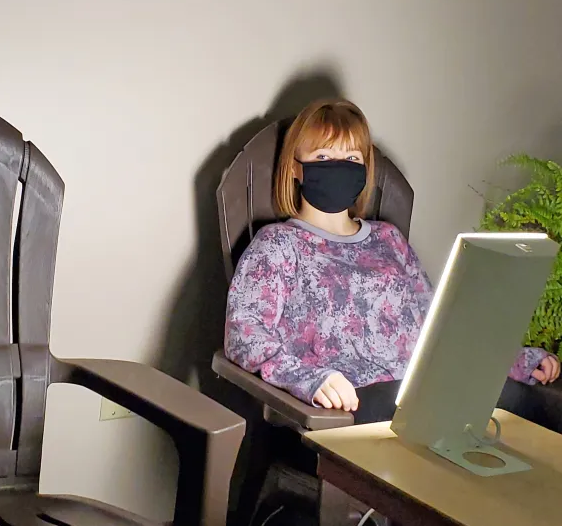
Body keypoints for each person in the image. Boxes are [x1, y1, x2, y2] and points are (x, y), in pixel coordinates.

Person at [224, 98, 561, 425]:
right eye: (323, 155)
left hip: (423, 391)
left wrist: (514, 361)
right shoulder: (278, 246)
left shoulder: (389, 240)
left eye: (351, 157)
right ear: (296, 168)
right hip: (352, 405)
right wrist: (310, 380)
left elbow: (436, 324)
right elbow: (244, 336)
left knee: (526, 404)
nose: (338, 167)